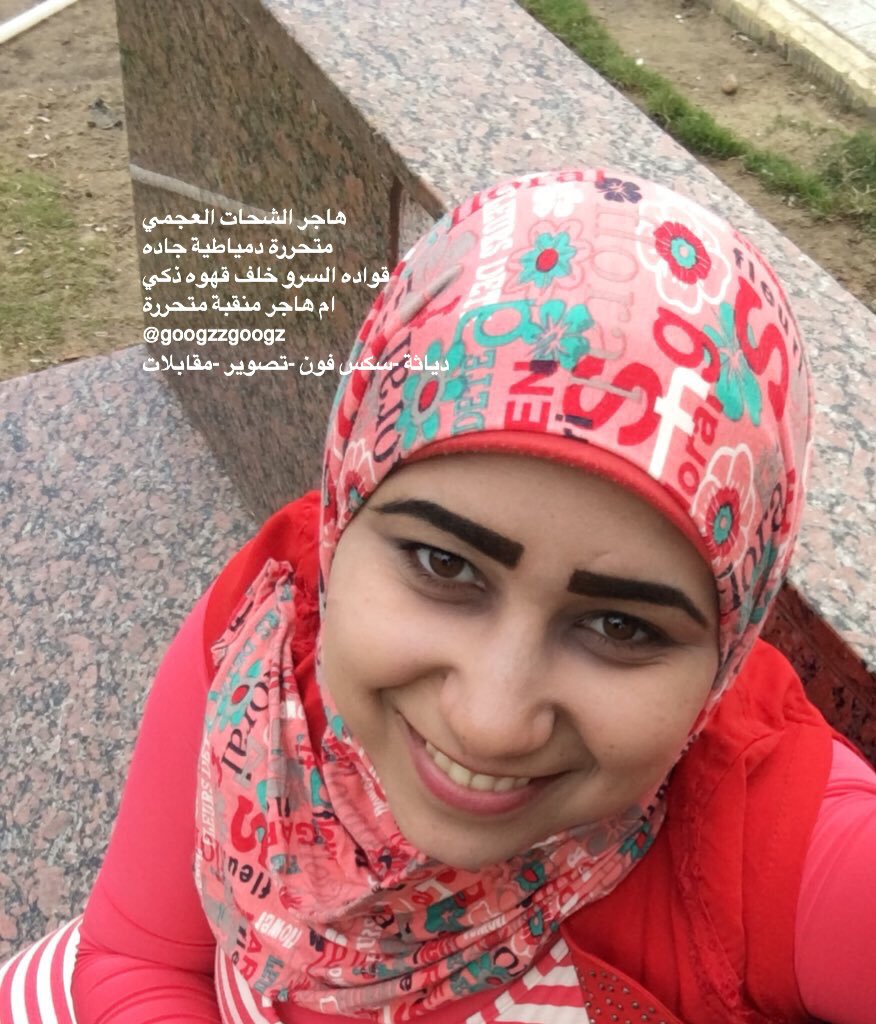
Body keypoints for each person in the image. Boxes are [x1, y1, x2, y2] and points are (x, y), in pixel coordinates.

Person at [2, 167, 874, 1024]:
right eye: (445, 566)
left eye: (620, 625)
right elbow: (142, 957)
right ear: (344, 512)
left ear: (728, 647)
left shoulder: (764, 844)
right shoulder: (270, 639)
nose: (490, 722)